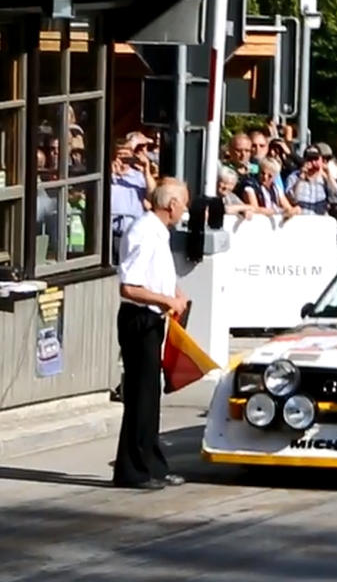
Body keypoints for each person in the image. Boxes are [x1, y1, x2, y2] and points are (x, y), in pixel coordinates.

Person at [114, 178, 189, 490]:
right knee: (139, 395)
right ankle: (131, 470)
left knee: (151, 395)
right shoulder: (144, 232)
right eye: (183, 203)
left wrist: (176, 294)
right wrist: (166, 301)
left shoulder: (159, 233)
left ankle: (153, 464)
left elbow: (156, 276)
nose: (184, 210)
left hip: (154, 318)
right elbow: (129, 286)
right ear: (171, 204)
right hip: (139, 320)